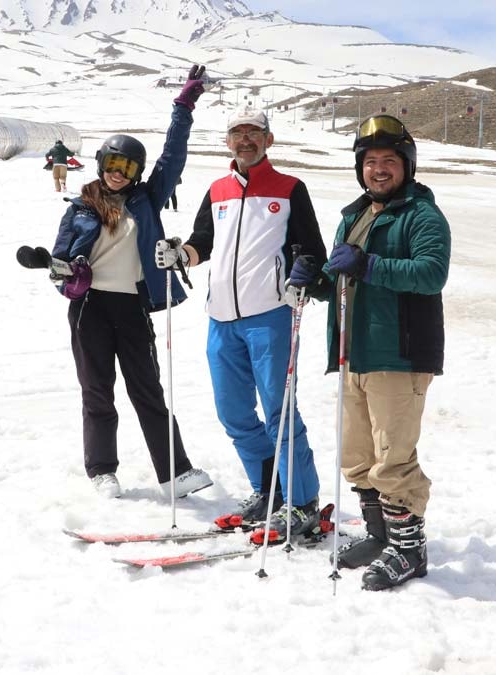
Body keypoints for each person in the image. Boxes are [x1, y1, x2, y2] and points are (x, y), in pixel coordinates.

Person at [287, 114, 450, 591]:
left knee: (393, 459)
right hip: (353, 353)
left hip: (398, 353)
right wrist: (315, 280)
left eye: (389, 161)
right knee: (357, 456)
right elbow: (343, 279)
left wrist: (370, 264)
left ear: (407, 165)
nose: (379, 169)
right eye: (370, 161)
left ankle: (409, 549)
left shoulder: (422, 215)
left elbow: (431, 273)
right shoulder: (353, 216)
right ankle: (381, 536)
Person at [155, 107, 328, 537]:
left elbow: (312, 250)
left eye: (254, 132)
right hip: (221, 318)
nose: (245, 140)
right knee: (232, 412)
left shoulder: (290, 188)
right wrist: (182, 255)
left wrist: (302, 274)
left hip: (270, 315)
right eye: (237, 133)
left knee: (279, 413)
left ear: (269, 140)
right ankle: (270, 490)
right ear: (228, 141)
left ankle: (302, 502)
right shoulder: (218, 191)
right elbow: (202, 242)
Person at [51, 65, 212, 499]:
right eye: (112, 164)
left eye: (127, 166)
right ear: (101, 164)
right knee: (97, 391)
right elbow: (59, 265)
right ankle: (102, 470)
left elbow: (172, 159)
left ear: (137, 171)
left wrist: (182, 108)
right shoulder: (80, 208)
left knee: (148, 391)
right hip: (90, 308)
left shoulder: (146, 200)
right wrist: (66, 277)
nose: (118, 172)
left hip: (133, 306)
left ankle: (175, 473)